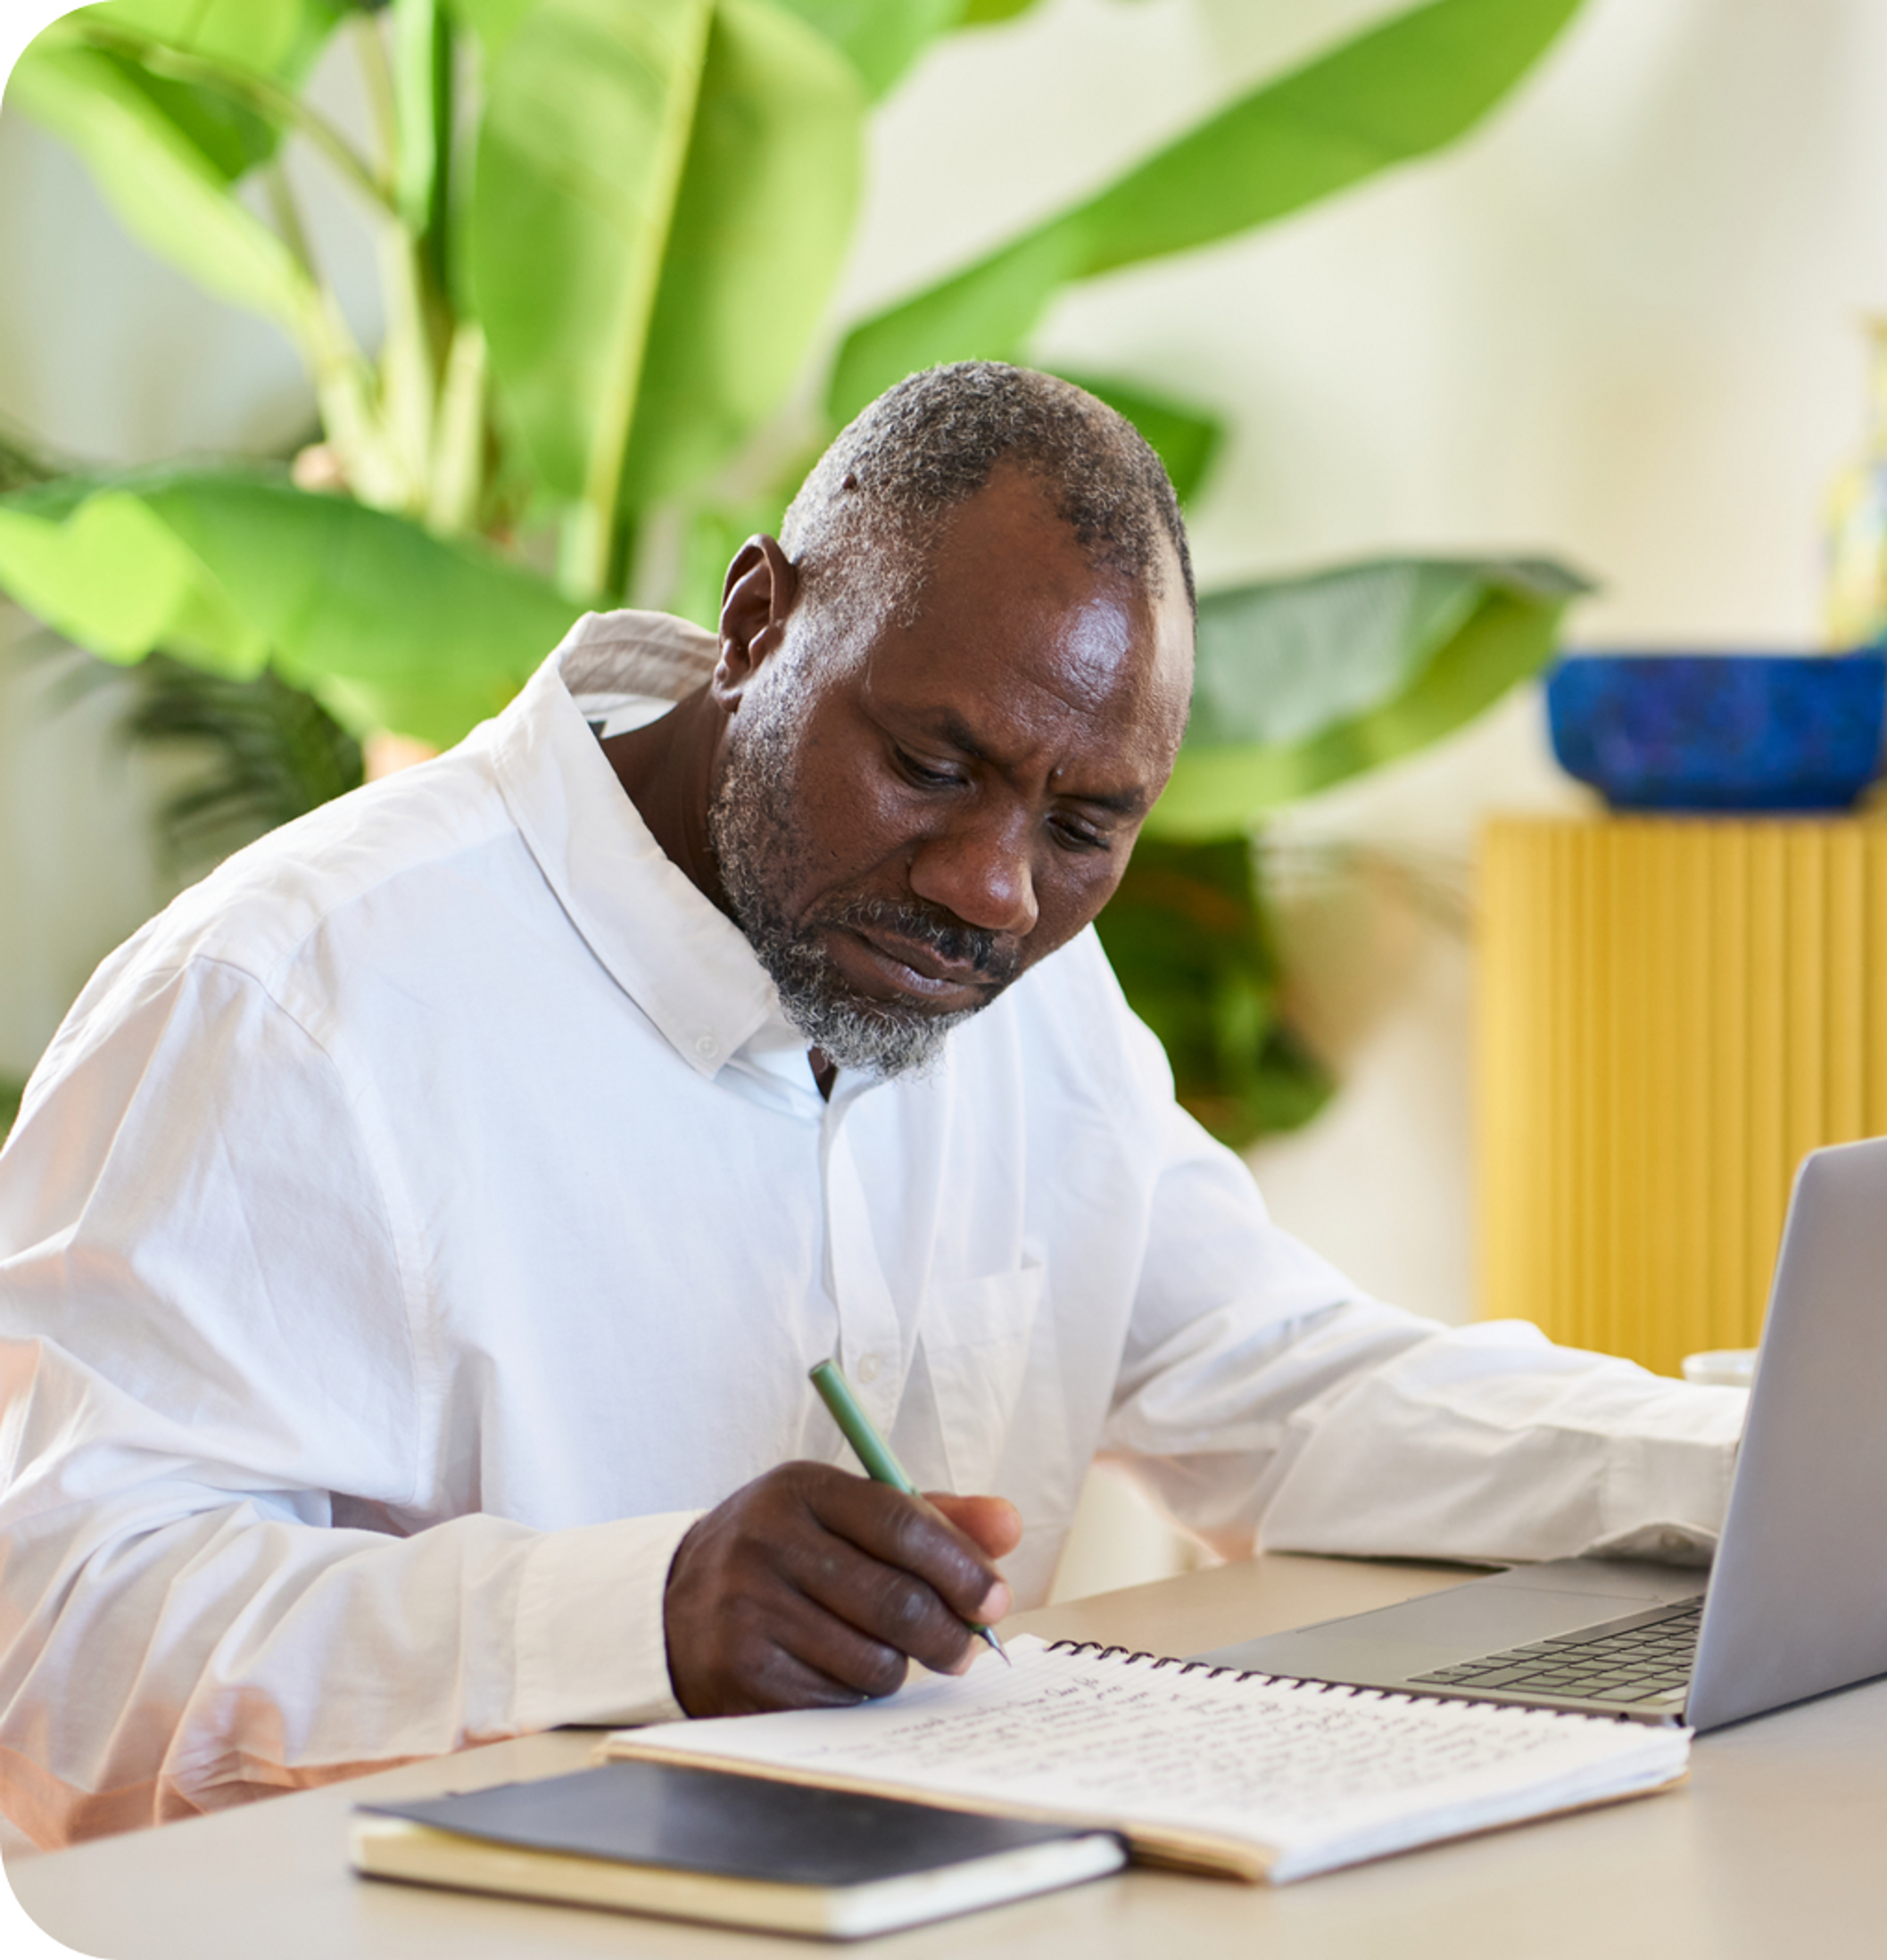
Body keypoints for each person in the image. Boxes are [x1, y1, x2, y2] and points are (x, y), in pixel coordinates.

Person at [0, 364, 1742, 1846]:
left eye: (1084, 828)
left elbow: (1291, 1395)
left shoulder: (1026, 996)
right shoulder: (289, 999)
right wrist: (643, 1616)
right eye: (933, 766)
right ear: (758, 623)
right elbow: (56, 1642)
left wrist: (1760, 1466)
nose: (994, 890)